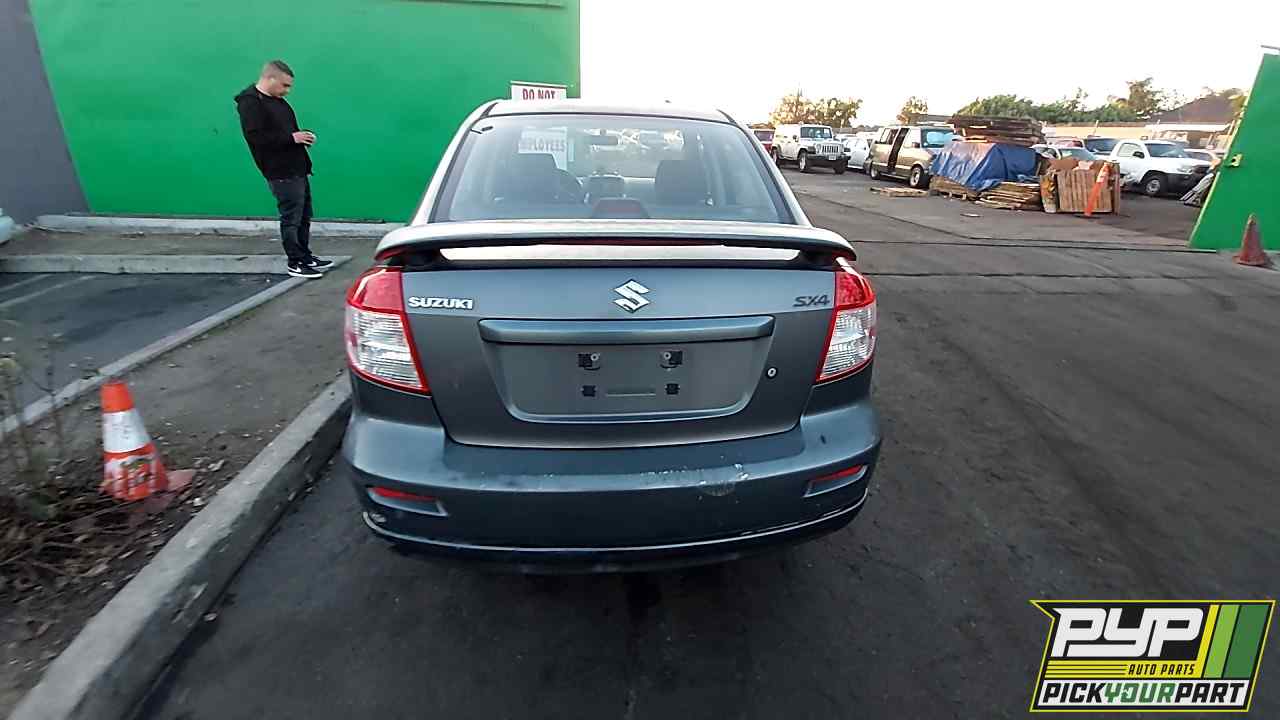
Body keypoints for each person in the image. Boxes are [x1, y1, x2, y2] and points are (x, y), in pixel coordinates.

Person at [235, 60, 332, 279]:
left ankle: (305, 256)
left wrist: (301, 137)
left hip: (297, 166)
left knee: (304, 215)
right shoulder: (251, 103)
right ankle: (295, 262)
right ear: (270, 79)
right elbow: (256, 138)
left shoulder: (277, 101)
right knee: (291, 218)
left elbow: (286, 132)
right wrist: (292, 138)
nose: (287, 91)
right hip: (279, 171)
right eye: (285, 85)